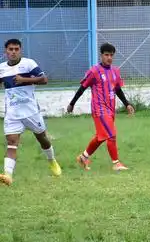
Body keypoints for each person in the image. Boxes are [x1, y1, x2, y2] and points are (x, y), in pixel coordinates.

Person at [0, 39, 61, 185]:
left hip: (31, 111)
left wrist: (24, 80)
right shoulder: (2, 68)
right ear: (5, 51)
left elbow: (44, 79)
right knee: (11, 143)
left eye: (16, 49)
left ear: (20, 50)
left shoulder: (29, 64)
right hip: (13, 114)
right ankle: (8, 175)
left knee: (42, 139)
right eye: (10, 49)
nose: (13, 52)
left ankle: (52, 161)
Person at [67, 43, 134, 171]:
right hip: (99, 109)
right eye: (106, 55)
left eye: (111, 55)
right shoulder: (94, 71)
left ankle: (83, 157)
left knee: (100, 136)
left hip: (110, 108)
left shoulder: (115, 71)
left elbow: (118, 89)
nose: (109, 57)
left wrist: (127, 104)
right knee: (111, 135)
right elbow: (82, 88)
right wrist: (72, 103)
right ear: (101, 55)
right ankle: (116, 163)